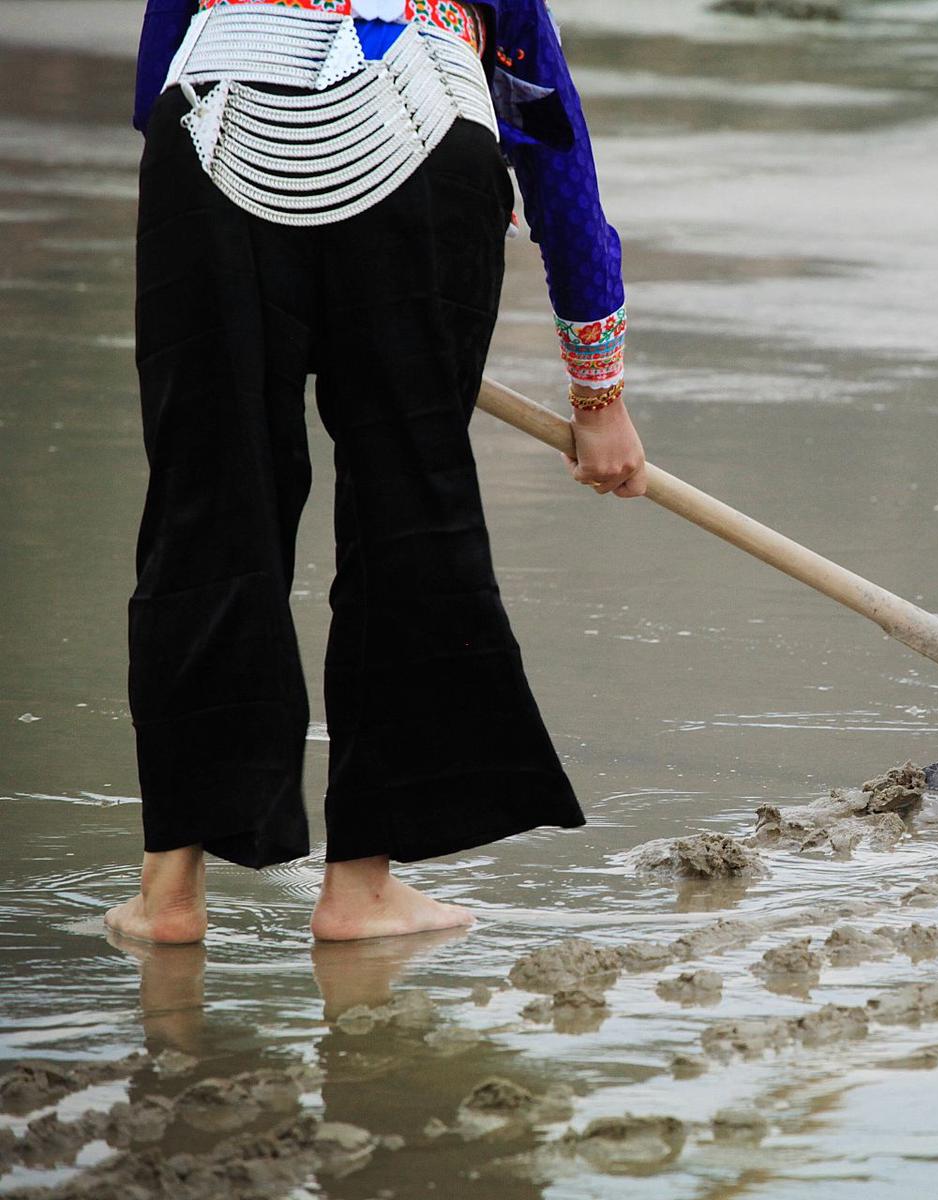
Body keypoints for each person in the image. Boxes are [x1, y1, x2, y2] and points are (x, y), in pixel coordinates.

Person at [109, 0, 645, 944]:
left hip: (216, 127)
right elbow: (548, 132)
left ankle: (168, 895)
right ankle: (359, 890)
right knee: (409, 509)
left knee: (208, 509)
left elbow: (158, 84)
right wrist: (598, 397)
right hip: (425, 145)